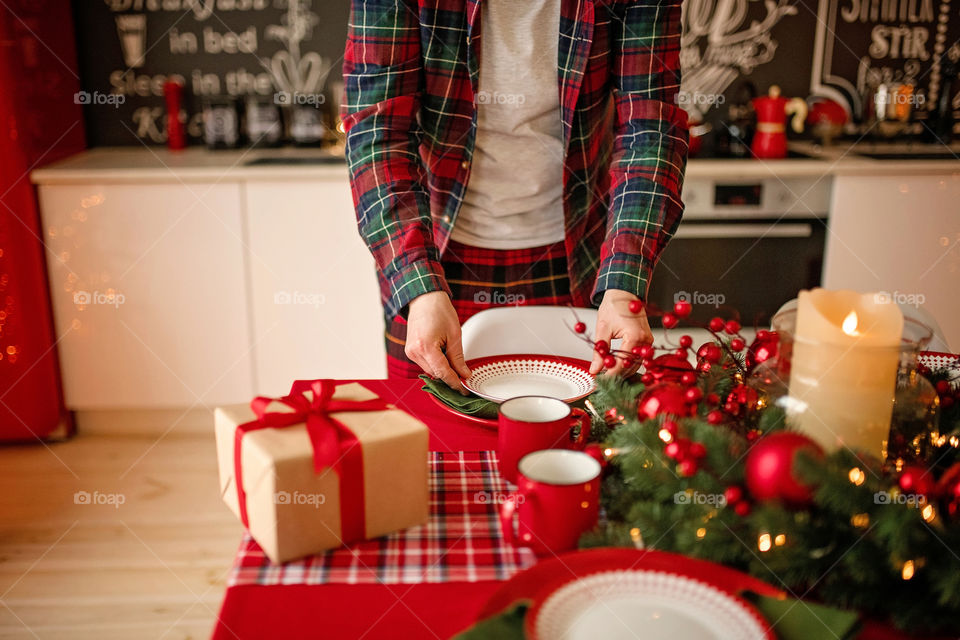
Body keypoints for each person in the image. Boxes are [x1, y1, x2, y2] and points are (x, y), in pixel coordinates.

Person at [342, 0, 688, 391]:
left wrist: (625, 280)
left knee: (578, 439)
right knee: (428, 437)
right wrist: (418, 286)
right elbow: (377, 135)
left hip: (581, 257)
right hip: (432, 256)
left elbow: (651, 128)